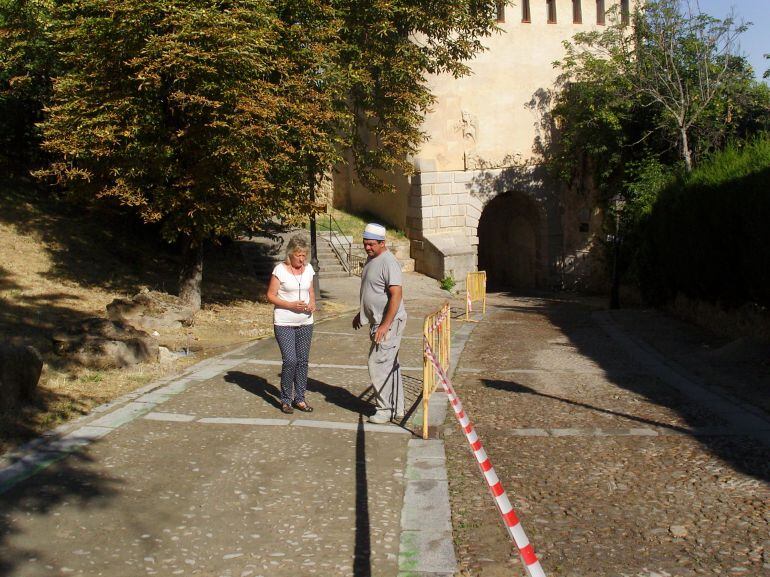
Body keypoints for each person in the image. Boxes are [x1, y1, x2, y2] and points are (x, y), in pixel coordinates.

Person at [352, 223, 407, 424]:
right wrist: (361, 314)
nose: (367, 247)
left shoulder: (388, 262)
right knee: (390, 365)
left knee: (378, 364)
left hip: (388, 323)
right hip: (377, 321)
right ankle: (397, 408)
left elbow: (396, 295)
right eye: (365, 244)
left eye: (371, 244)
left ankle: (384, 409)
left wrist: (385, 325)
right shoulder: (372, 258)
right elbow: (371, 289)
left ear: (383, 243)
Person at [266, 235, 316, 414]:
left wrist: (312, 303)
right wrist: (290, 305)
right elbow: (270, 295)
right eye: (298, 255)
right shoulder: (280, 270)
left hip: (305, 322)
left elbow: (310, 290)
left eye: (304, 255)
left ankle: (300, 398)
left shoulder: (308, 269)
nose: (301, 259)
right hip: (284, 322)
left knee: (302, 361)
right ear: (290, 254)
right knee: (290, 360)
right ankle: (286, 399)